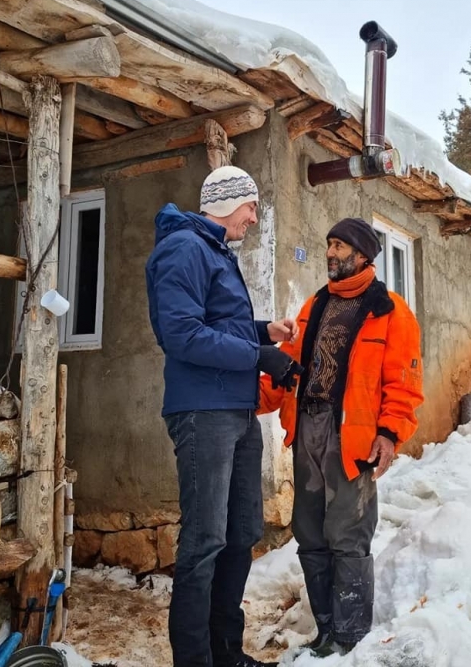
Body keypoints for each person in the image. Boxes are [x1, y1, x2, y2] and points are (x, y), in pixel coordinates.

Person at [146, 165, 303, 667]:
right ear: (227, 202)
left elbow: (219, 326)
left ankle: (226, 651)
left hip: (237, 409)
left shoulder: (214, 250)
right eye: (252, 207)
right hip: (202, 411)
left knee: (241, 534)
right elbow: (182, 335)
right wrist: (258, 356)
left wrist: (263, 333)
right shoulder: (183, 248)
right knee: (205, 540)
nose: (254, 219)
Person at [260, 217, 424, 656]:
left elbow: (404, 385)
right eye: (329, 244)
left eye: (339, 246)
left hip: (352, 436)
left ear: (363, 255)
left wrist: (389, 434)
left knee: (348, 533)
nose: (330, 253)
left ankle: (350, 637)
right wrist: (241, 396)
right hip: (307, 428)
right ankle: (326, 628)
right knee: (309, 531)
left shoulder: (389, 311)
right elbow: (286, 368)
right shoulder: (314, 305)